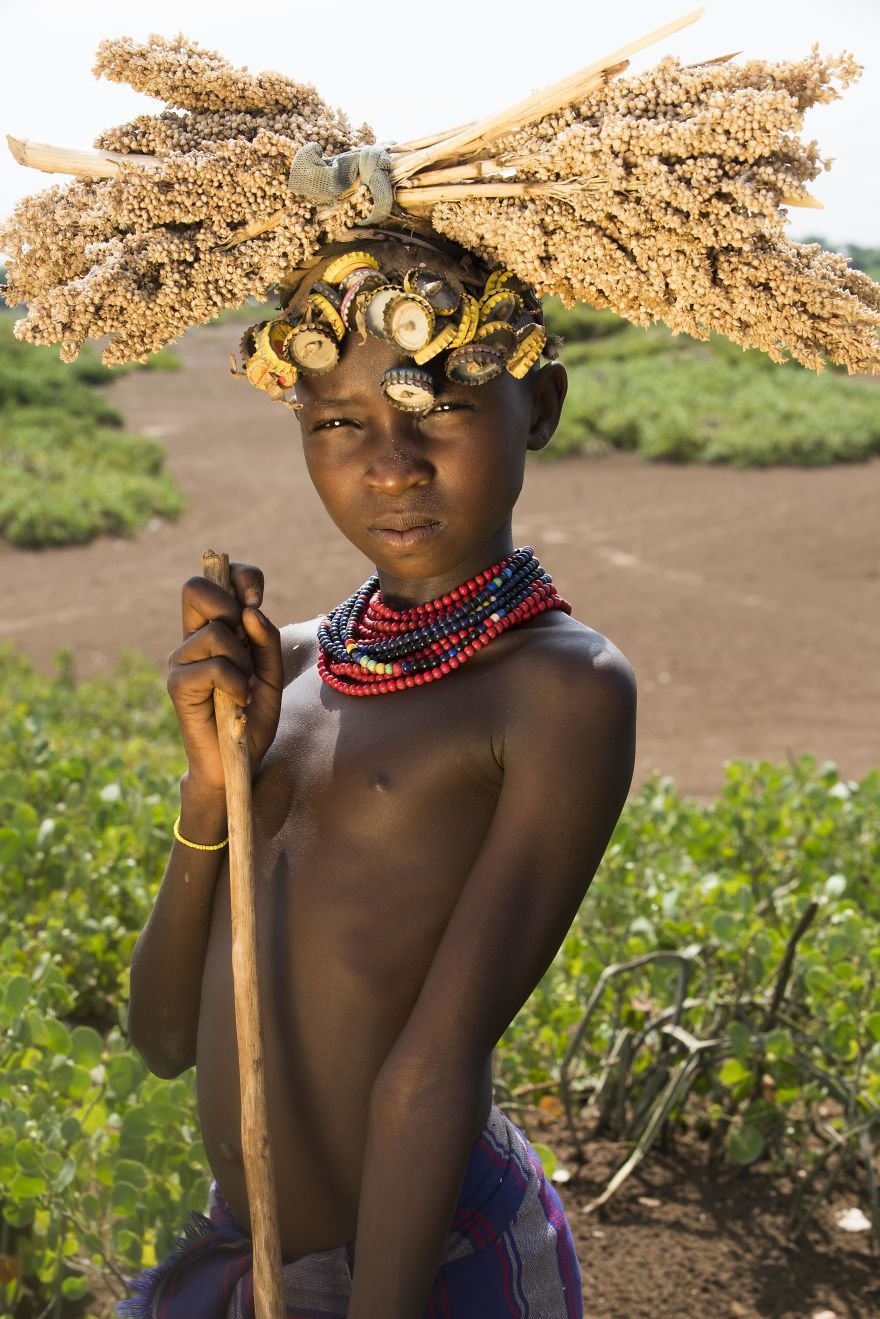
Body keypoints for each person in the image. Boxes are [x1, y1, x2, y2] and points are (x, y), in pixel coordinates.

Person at [118, 230, 637, 1318]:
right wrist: (215, 785)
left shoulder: (557, 692)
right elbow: (164, 1039)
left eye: (438, 404)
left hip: (418, 1271)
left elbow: (428, 1067)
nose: (390, 463)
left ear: (537, 404)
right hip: (241, 1245)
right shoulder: (292, 665)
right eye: (339, 422)